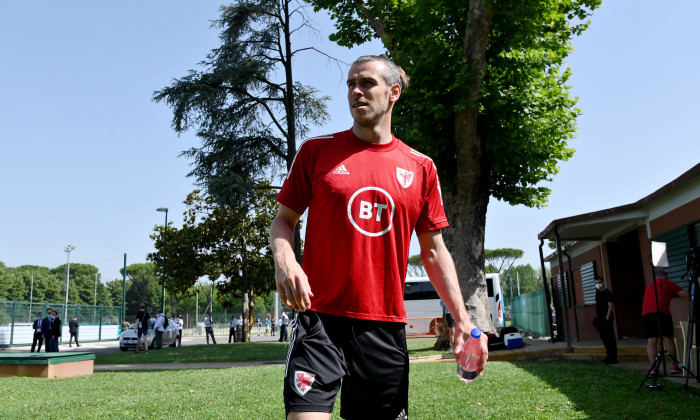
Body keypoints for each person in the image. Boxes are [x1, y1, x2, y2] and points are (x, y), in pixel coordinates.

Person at [270, 54, 488, 419]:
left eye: (367, 83)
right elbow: (283, 222)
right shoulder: (316, 153)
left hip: (383, 326)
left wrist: (462, 320)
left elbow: (434, 252)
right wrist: (286, 260)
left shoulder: (421, 167)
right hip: (319, 318)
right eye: (351, 84)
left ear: (394, 92)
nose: (356, 91)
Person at [642, 270, 689, 376]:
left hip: (647, 314)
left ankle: (654, 369)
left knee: (651, 340)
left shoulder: (649, 286)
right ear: (665, 277)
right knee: (668, 338)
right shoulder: (667, 283)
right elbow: (685, 295)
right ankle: (674, 366)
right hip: (662, 313)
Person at [593, 276, 616, 364]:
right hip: (600, 317)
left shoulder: (607, 293)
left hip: (606, 318)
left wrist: (607, 318)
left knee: (609, 337)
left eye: (599, 282)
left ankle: (612, 357)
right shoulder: (597, 293)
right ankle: (608, 355)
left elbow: (610, 306)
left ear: (602, 282)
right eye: (596, 283)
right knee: (604, 337)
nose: (598, 284)